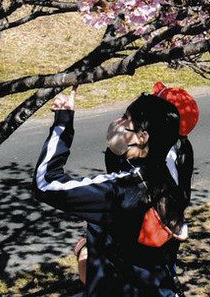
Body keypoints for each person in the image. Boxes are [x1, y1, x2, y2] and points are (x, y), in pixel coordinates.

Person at [34, 89, 187, 297]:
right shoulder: (164, 181)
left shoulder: (121, 189)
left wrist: (62, 123)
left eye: (125, 118)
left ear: (142, 137)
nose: (117, 121)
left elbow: (45, 183)